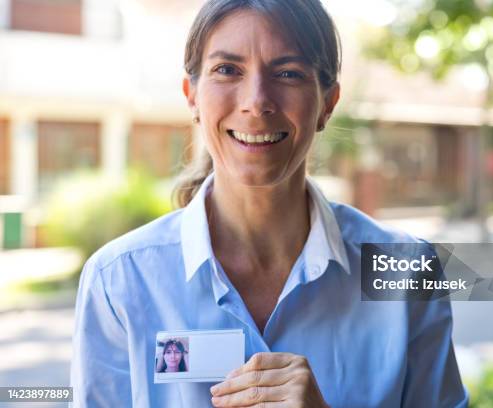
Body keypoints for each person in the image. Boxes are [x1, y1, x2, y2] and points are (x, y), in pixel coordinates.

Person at [70, 0, 469, 407]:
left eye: (288, 73)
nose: (257, 102)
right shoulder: (119, 281)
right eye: (227, 70)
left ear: (327, 103)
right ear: (192, 96)